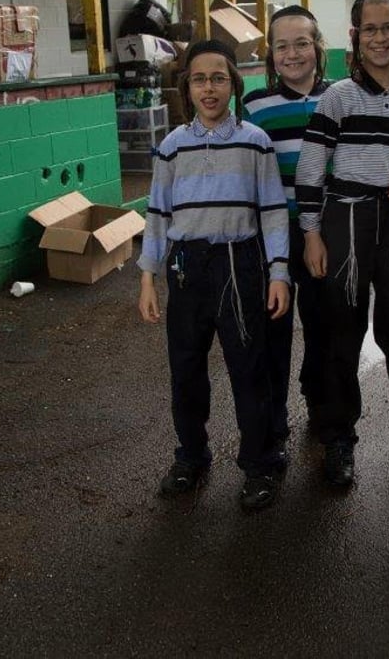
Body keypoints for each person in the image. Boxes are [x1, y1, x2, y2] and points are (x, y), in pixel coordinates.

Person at [138, 39, 291, 512]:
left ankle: (259, 464)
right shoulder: (172, 147)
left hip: (239, 264)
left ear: (233, 85)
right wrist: (148, 276)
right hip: (186, 268)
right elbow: (158, 213)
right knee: (186, 371)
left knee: (249, 370)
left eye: (218, 78)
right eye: (200, 79)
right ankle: (191, 456)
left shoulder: (254, 142)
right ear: (188, 87)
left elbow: (271, 212)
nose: (209, 88)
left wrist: (278, 272)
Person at [295, 0, 389, 487]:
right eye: (368, 29)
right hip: (343, 224)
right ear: (355, 37)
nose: (379, 37)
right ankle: (339, 439)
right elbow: (310, 168)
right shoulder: (337, 96)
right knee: (339, 337)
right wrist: (311, 233)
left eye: (387, 27)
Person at [242, 5, 331, 443]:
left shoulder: (341, 97)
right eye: (282, 45)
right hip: (272, 238)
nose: (292, 53)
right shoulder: (253, 105)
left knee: (322, 327)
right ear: (271, 55)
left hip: (323, 235)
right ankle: (273, 421)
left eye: (301, 43)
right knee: (272, 331)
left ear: (317, 47)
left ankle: (318, 406)